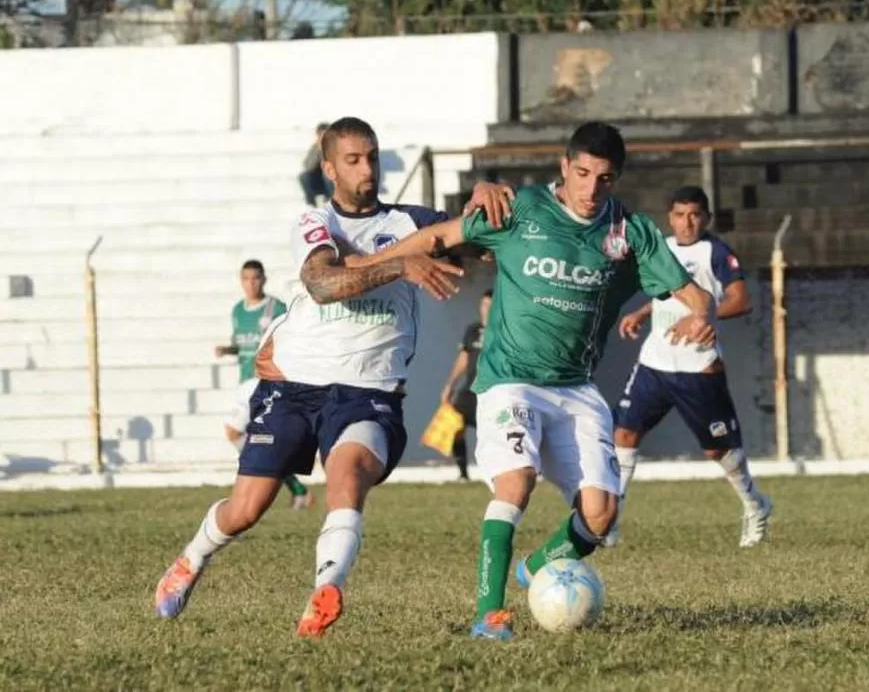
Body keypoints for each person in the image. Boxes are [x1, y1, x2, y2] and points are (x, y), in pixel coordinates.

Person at [345, 121, 715, 641]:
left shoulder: (630, 233)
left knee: (601, 517)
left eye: (604, 179)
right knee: (516, 482)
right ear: (564, 167)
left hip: (576, 388)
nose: (591, 188)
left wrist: (702, 315)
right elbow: (440, 236)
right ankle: (489, 616)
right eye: (582, 173)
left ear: (617, 180)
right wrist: (367, 265)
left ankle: (537, 567)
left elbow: (696, 295)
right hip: (510, 380)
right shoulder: (519, 209)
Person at [153, 116, 513, 636]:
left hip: (368, 391)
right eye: (353, 160)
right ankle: (192, 557)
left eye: (372, 157)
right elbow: (322, 283)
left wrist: (485, 195)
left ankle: (324, 593)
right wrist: (400, 266)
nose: (367, 169)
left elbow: (478, 235)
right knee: (247, 508)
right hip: (293, 383)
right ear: (329, 169)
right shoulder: (314, 223)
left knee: (348, 475)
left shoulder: (412, 222)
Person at [605, 186, 772, 549]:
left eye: (695, 215)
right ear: (670, 217)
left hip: (698, 366)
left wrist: (701, 316)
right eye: (680, 215)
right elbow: (666, 292)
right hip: (653, 363)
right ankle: (609, 521)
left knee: (717, 451)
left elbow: (740, 300)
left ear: (706, 218)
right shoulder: (660, 247)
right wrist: (642, 312)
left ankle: (755, 505)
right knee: (624, 434)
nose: (687, 223)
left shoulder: (716, 252)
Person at [215, 259, 313, 510]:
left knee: (236, 433)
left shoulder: (275, 307)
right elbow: (242, 345)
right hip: (245, 381)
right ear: (241, 281)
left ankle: (277, 484)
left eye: (256, 278)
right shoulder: (238, 311)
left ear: (264, 279)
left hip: (264, 381)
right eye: (246, 279)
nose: (251, 284)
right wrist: (228, 349)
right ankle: (297, 489)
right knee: (258, 441)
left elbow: (292, 338)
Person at [439, 289, 492, 480]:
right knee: (453, 424)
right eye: (484, 305)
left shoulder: (504, 330)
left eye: (491, 305)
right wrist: (450, 385)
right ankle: (463, 474)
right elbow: (463, 358)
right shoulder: (473, 330)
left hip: (492, 391)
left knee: (493, 434)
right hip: (470, 390)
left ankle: (495, 473)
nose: (487, 309)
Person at [298, 122, 333, 207]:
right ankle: (312, 204)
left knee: (327, 175)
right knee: (303, 176)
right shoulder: (316, 147)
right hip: (320, 180)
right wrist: (318, 150)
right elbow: (308, 166)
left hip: (335, 182)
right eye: (320, 135)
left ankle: (333, 202)